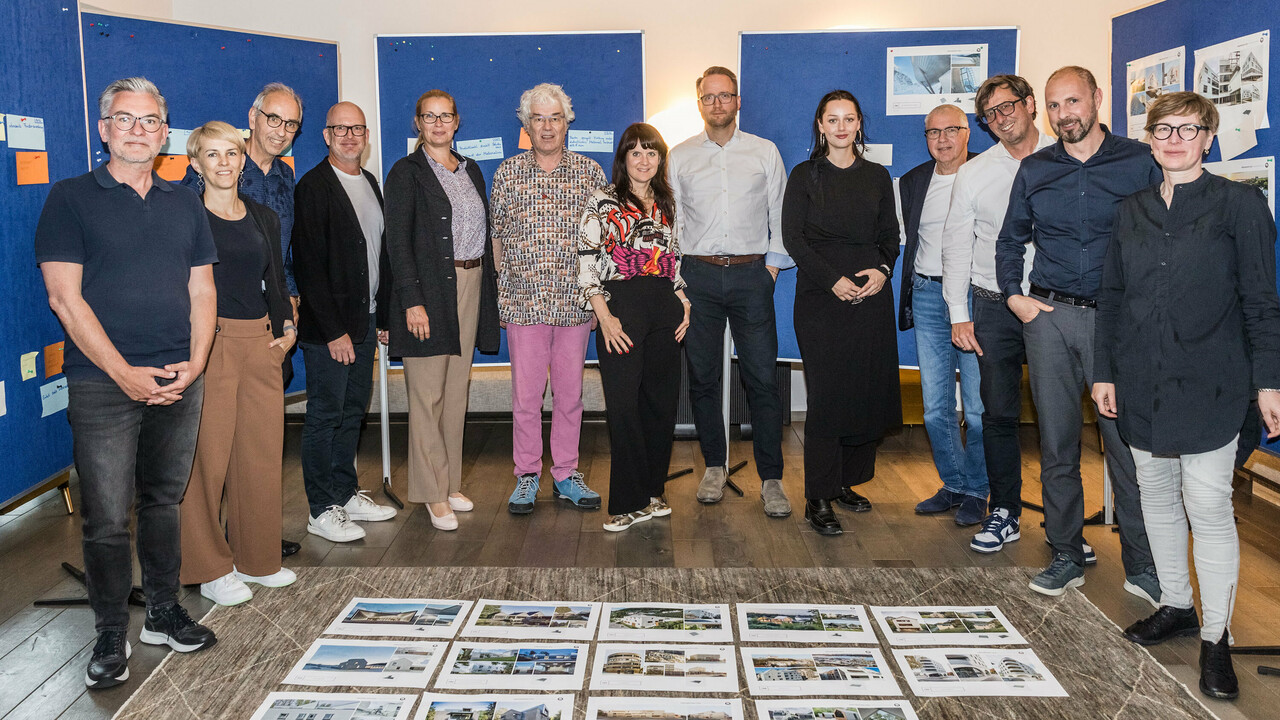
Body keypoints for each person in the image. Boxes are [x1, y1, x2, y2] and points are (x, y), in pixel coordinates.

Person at [1093, 91, 1280, 701]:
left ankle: (1217, 639)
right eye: (1163, 129)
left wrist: (1269, 380)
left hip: (1213, 382)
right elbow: (1113, 300)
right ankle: (1177, 604)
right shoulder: (1131, 211)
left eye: (1188, 129)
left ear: (1209, 137)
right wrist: (1105, 372)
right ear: (1149, 139)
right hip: (1142, 381)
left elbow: (1260, 300)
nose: (1174, 138)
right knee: (1156, 498)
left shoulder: (1241, 205)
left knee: (1208, 506)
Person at [35, 77, 218, 689]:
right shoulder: (69, 198)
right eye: (125, 119)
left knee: (164, 501)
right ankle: (110, 630)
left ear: (166, 134)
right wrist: (124, 374)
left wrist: (195, 363)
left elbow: (202, 290)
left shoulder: (185, 204)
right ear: (104, 129)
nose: (138, 130)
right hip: (101, 384)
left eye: (150, 121)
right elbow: (64, 298)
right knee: (108, 517)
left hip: (177, 376)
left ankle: (163, 612)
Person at [995, 66, 1160, 599]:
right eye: (1055, 105)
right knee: (1057, 443)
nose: (1065, 114)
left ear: (1097, 99)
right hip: (1049, 319)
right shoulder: (1036, 169)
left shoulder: (1140, 161)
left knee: (1127, 447)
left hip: (1119, 324)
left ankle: (1143, 565)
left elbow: (1167, 234)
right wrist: (1015, 298)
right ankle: (1066, 552)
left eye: (1073, 101)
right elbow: (1010, 240)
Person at [180, 82, 305, 559]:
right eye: (213, 156)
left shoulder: (268, 206)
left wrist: (287, 328)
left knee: (258, 456)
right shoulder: (185, 213)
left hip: (264, 338)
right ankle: (207, 564)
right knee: (207, 460)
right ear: (197, 164)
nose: (225, 163)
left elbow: (277, 271)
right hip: (212, 340)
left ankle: (256, 555)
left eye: (231, 154)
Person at [668, 66, 793, 518]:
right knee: (703, 378)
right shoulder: (679, 156)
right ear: (698, 102)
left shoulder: (764, 152)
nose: (718, 104)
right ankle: (714, 466)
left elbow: (781, 211)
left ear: (738, 101)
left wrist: (773, 270)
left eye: (726, 96)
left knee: (761, 378)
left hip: (751, 276)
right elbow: (674, 221)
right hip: (697, 278)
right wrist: (677, 278)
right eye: (709, 97)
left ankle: (772, 479)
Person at [941, 74, 1058, 555]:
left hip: (1057, 305)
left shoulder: (1066, 158)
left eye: (1008, 107)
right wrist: (957, 313)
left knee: (1060, 417)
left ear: (1031, 105)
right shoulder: (974, 172)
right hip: (991, 306)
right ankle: (1005, 510)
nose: (1001, 118)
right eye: (990, 114)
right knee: (997, 413)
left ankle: (1063, 525)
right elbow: (955, 244)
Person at [781, 90, 902, 535]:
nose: (840, 127)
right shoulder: (803, 176)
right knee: (829, 398)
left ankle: (845, 482)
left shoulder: (877, 176)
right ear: (820, 125)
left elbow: (891, 236)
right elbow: (793, 238)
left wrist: (882, 271)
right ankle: (818, 495)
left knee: (865, 391)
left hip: (871, 297)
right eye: (832, 120)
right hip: (820, 298)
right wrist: (832, 280)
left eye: (848, 119)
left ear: (858, 125)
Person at [384, 90, 500, 530]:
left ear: (457, 121)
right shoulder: (406, 172)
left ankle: (449, 482)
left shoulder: (471, 169)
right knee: (426, 393)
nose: (437, 124)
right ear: (418, 123)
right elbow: (397, 242)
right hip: (429, 291)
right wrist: (412, 300)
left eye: (445, 116)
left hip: (470, 283)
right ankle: (432, 494)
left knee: (455, 390)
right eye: (428, 117)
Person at [491, 82, 606, 515]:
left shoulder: (590, 173)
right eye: (537, 118)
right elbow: (497, 239)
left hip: (575, 305)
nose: (546, 126)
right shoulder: (507, 173)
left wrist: (597, 302)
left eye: (554, 118)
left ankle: (565, 474)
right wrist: (506, 290)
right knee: (525, 397)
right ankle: (526, 475)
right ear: (526, 124)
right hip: (524, 305)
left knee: (570, 396)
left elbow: (602, 243)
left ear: (566, 123)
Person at [292, 101, 397, 542]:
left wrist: (384, 314)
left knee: (353, 411)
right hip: (329, 331)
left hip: (366, 320)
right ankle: (321, 508)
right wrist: (334, 331)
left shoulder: (370, 181)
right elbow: (308, 266)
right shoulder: (313, 187)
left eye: (356, 129)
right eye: (340, 128)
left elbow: (381, 253)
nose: (349, 136)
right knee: (324, 415)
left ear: (366, 135)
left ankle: (346, 491)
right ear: (325, 135)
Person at [579, 122, 691, 532]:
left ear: (660, 159)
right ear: (624, 159)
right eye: (636, 152)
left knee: (660, 405)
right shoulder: (602, 201)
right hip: (620, 306)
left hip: (664, 307)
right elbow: (586, 262)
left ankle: (653, 491)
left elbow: (672, 259)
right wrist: (604, 316)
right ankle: (626, 502)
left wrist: (684, 300)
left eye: (652, 152)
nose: (644, 160)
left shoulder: (665, 202)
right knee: (624, 406)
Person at [897, 104, 985, 526]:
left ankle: (979, 489)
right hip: (929, 296)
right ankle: (953, 483)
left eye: (952, 130)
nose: (943, 139)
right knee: (935, 407)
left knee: (979, 405)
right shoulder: (914, 181)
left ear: (968, 133)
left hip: (975, 299)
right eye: (934, 132)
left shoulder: (987, 173)